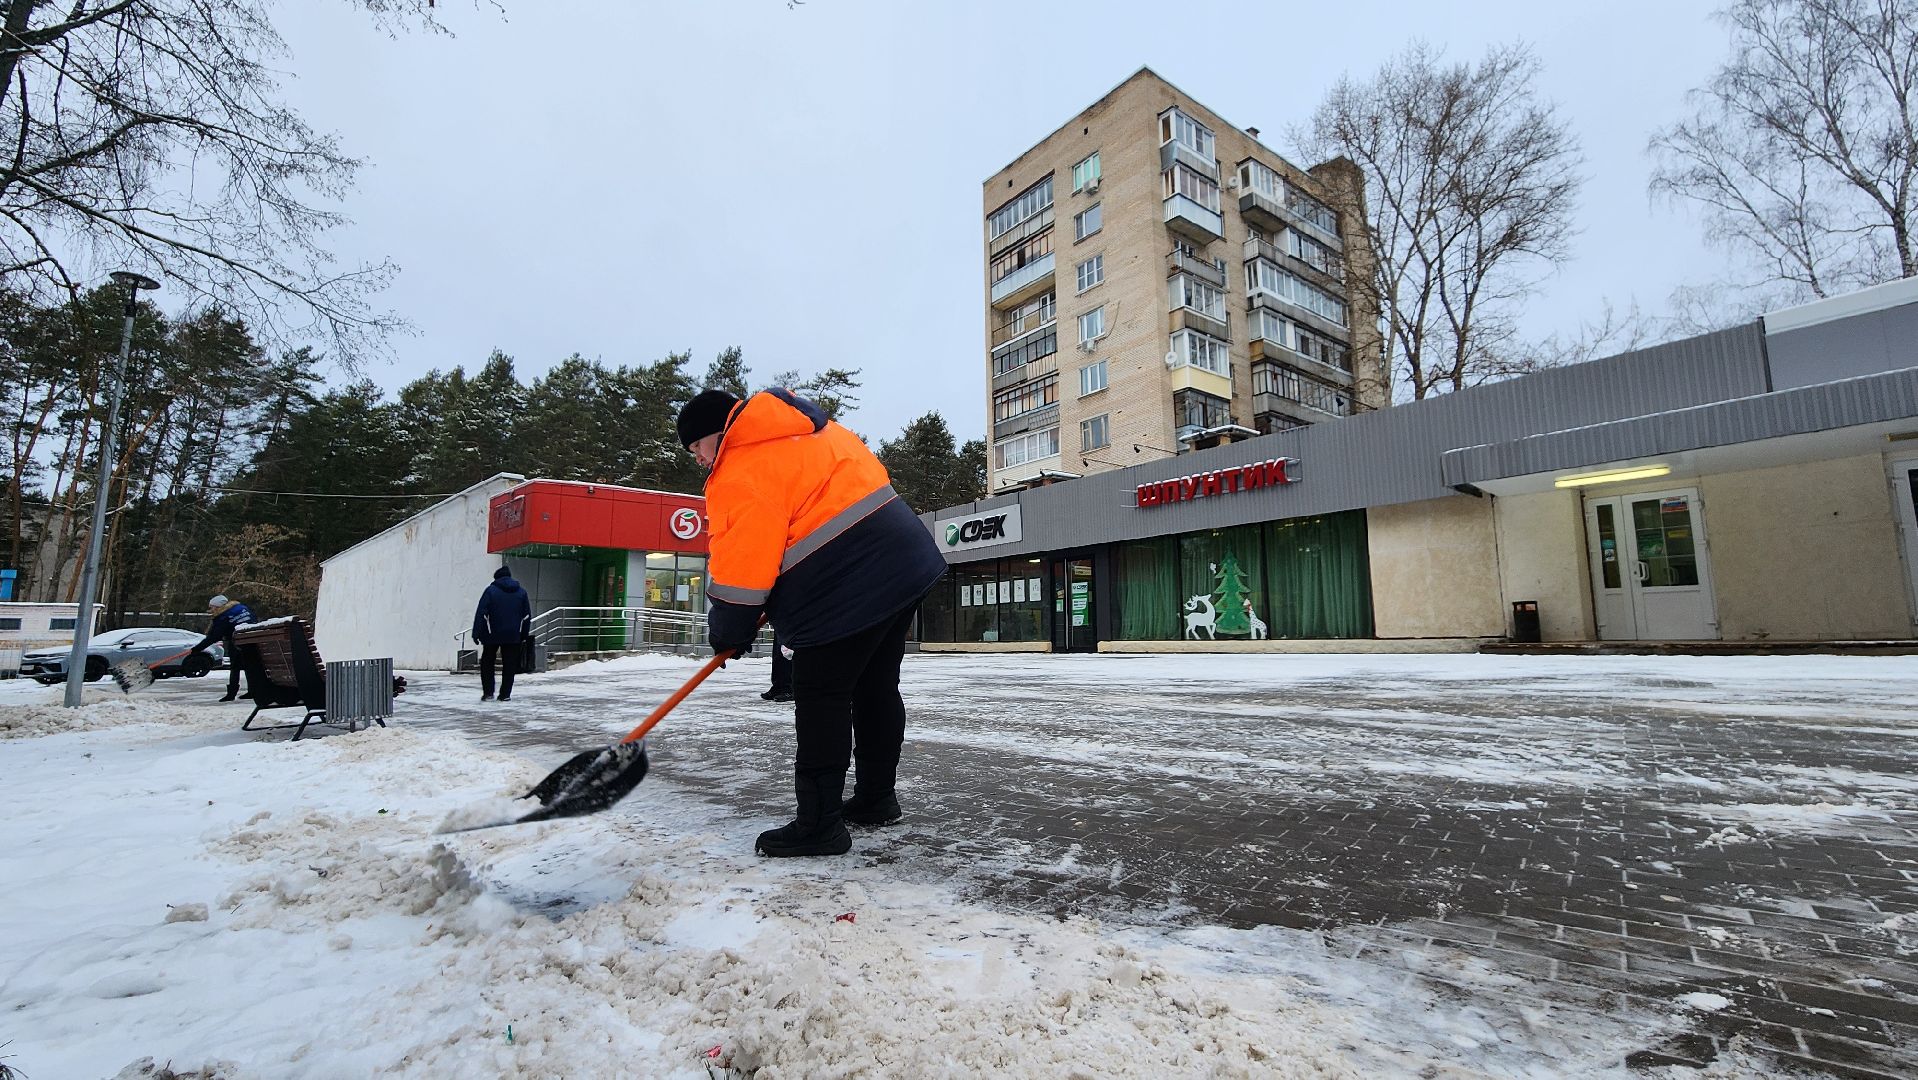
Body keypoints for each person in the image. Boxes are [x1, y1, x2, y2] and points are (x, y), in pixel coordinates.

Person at [677, 386, 945, 858]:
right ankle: (876, 799)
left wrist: (730, 628)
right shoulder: (815, 432)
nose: (699, 460)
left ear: (718, 435)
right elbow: (804, 523)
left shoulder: (740, 469)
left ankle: (819, 824)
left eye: (697, 447)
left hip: (845, 584)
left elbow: (745, 563)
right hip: (905, 560)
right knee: (875, 687)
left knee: (821, 695)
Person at [472, 564, 533, 702]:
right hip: (513, 635)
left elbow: (481, 613)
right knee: (509, 665)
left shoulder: (490, 591)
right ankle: (505, 694)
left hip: (491, 634)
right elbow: (527, 616)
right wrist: (523, 634)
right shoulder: (521, 592)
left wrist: (476, 633)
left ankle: (488, 693)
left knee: (487, 663)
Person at [190, 594, 255, 702]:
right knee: (250, 667)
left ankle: (231, 694)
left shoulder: (223, 616)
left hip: (236, 642)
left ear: (218, 606)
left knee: (235, 668)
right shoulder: (242, 608)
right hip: (251, 640)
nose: (210, 609)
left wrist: (197, 649)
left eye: (211, 607)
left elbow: (214, 636)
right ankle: (252, 691)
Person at [762, 633, 793, 703]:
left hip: (791, 627)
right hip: (780, 625)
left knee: (787, 657)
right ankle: (777, 687)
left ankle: (788, 689)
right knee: (777, 656)